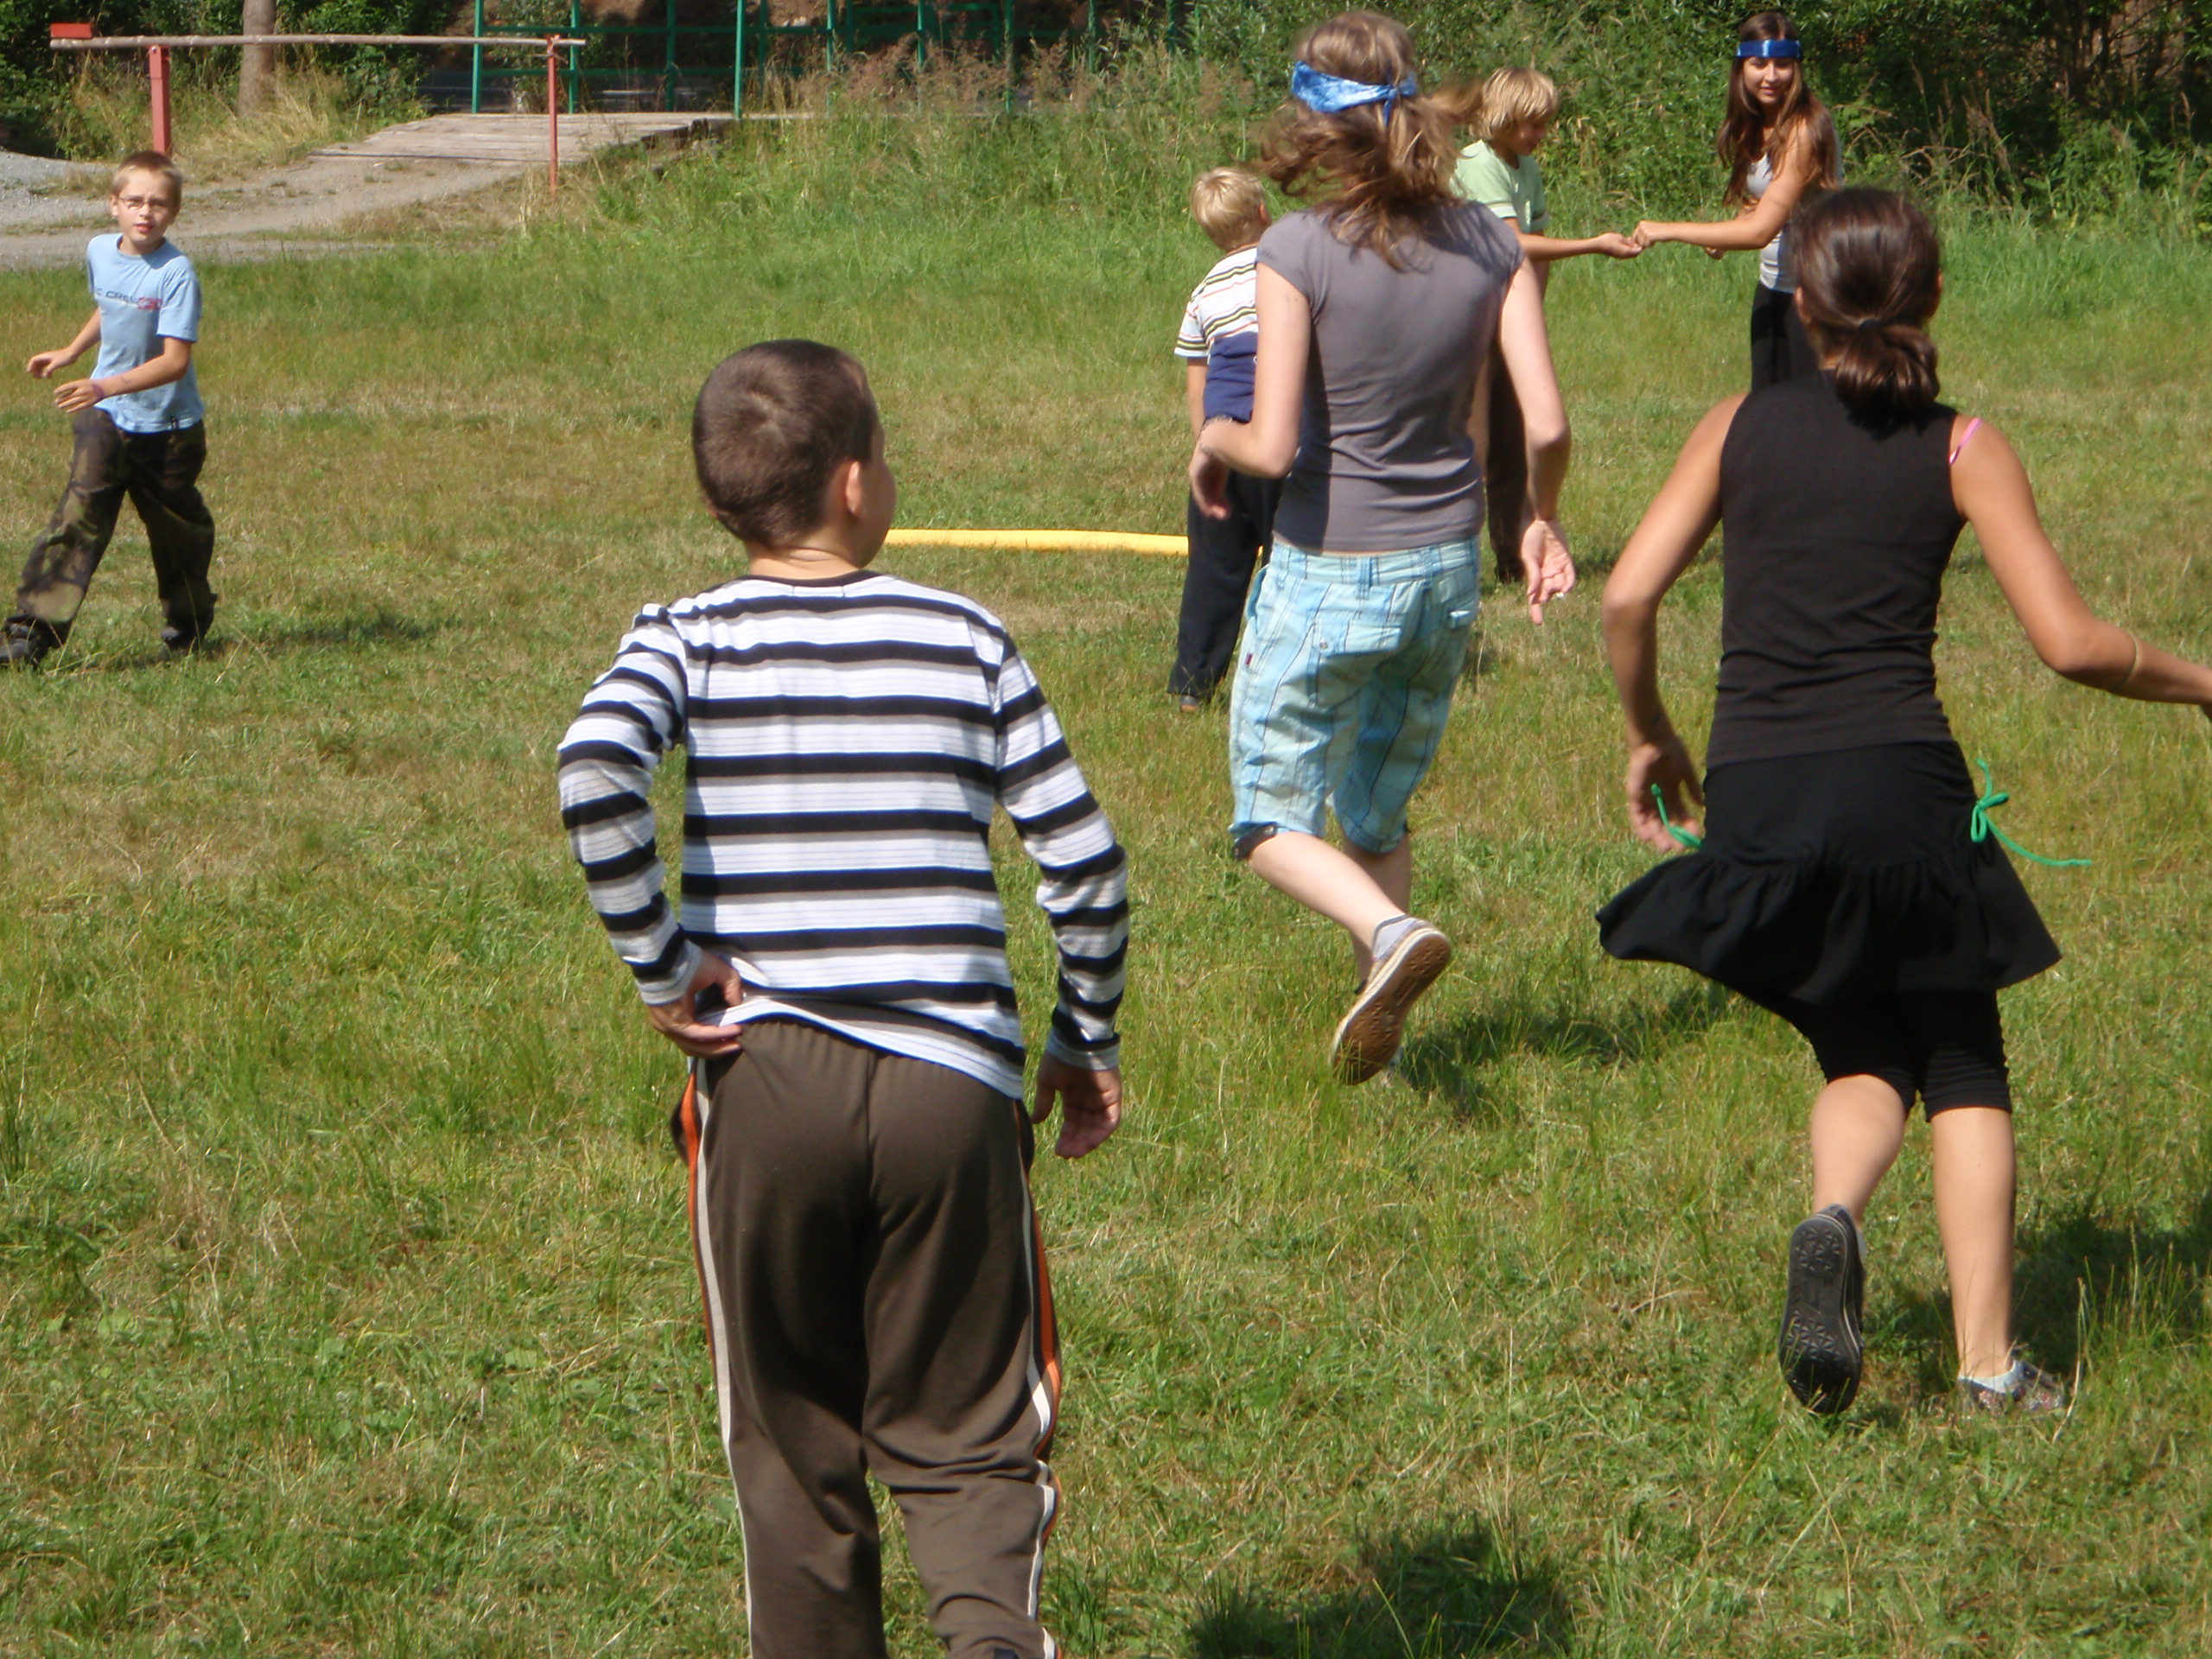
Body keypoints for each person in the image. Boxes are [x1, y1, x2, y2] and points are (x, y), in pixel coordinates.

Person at [1593, 188, 2212, 1415]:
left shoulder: (1734, 426)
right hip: (1901, 787)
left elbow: (1625, 598)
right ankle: (1989, 1370)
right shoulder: (1960, 444)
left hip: (1760, 790)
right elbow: (2071, 644)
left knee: (1858, 1044)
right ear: (1931, 297)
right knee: (1960, 1054)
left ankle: (1834, 1217)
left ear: (1801, 303)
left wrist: (1650, 730)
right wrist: (2199, 682)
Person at [557, 340, 1128, 1659]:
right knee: (971, 1429)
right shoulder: (965, 633)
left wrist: (662, 966)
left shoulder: (683, 634)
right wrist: (1081, 1036)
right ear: (860, 484)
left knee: (790, 1439)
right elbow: (1087, 864)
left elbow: (593, 773)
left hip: (763, 1083)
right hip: (951, 1090)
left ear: (722, 501)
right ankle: (996, 1640)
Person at [1190, 10, 1576, 1084]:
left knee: (1268, 819)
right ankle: (1387, 1032)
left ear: (1312, 126)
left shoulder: (1294, 247)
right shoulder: (1491, 241)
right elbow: (1545, 425)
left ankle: (1392, 934)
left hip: (1328, 565)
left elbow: (1271, 442)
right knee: (1374, 811)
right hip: (1446, 571)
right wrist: (1537, 519)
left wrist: (1210, 442)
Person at [5, 150, 215, 667]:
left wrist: (102, 386)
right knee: (77, 518)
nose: (145, 212)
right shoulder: (100, 250)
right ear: (114, 204)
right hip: (106, 419)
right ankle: (29, 634)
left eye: (158, 204)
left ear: (175, 211)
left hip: (168, 429)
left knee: (177, 534)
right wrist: (72, 351)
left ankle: (187, 629)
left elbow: (174, 361)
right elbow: (110, 304)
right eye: (134, 201)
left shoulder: (176, 274)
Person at [1448, 67, 1638, 582]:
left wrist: (1530, 315)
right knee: (1474, 446)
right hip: (1470, 324)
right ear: (1502, 118)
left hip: (1508, 322)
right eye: (1531, 124)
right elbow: (1514, 244)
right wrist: (1595, 244)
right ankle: (1453, 560)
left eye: (1545, 123)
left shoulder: (1524, 166)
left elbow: (1538, 251)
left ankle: (1515, 558)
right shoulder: (1477, 164)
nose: (1540, 134)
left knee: (1516, 445)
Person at [1629, 11, 1840, 391]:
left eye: (1782, 65)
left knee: (1814, 411)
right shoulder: (1756, 121)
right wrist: (1731, 229)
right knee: (1767, 408)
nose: (1771, 76)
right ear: (1742, 67)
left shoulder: (1805, 129)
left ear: (1796, 68)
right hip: (1774, 284)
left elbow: (1761, 232)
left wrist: (1668, 230)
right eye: (1759, 64)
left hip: (1817, 294)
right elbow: (1767, 205)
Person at [1169, 166, 1282, 708]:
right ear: (1263, 212)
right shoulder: (1285, 271)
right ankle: (1281, 671)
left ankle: (1193, 685)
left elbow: (1198, 382)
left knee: (1212, 570)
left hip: (1223, 444)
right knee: (1289, 563)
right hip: (1277, 440)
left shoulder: (1203, 292)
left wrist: (1207, 447)